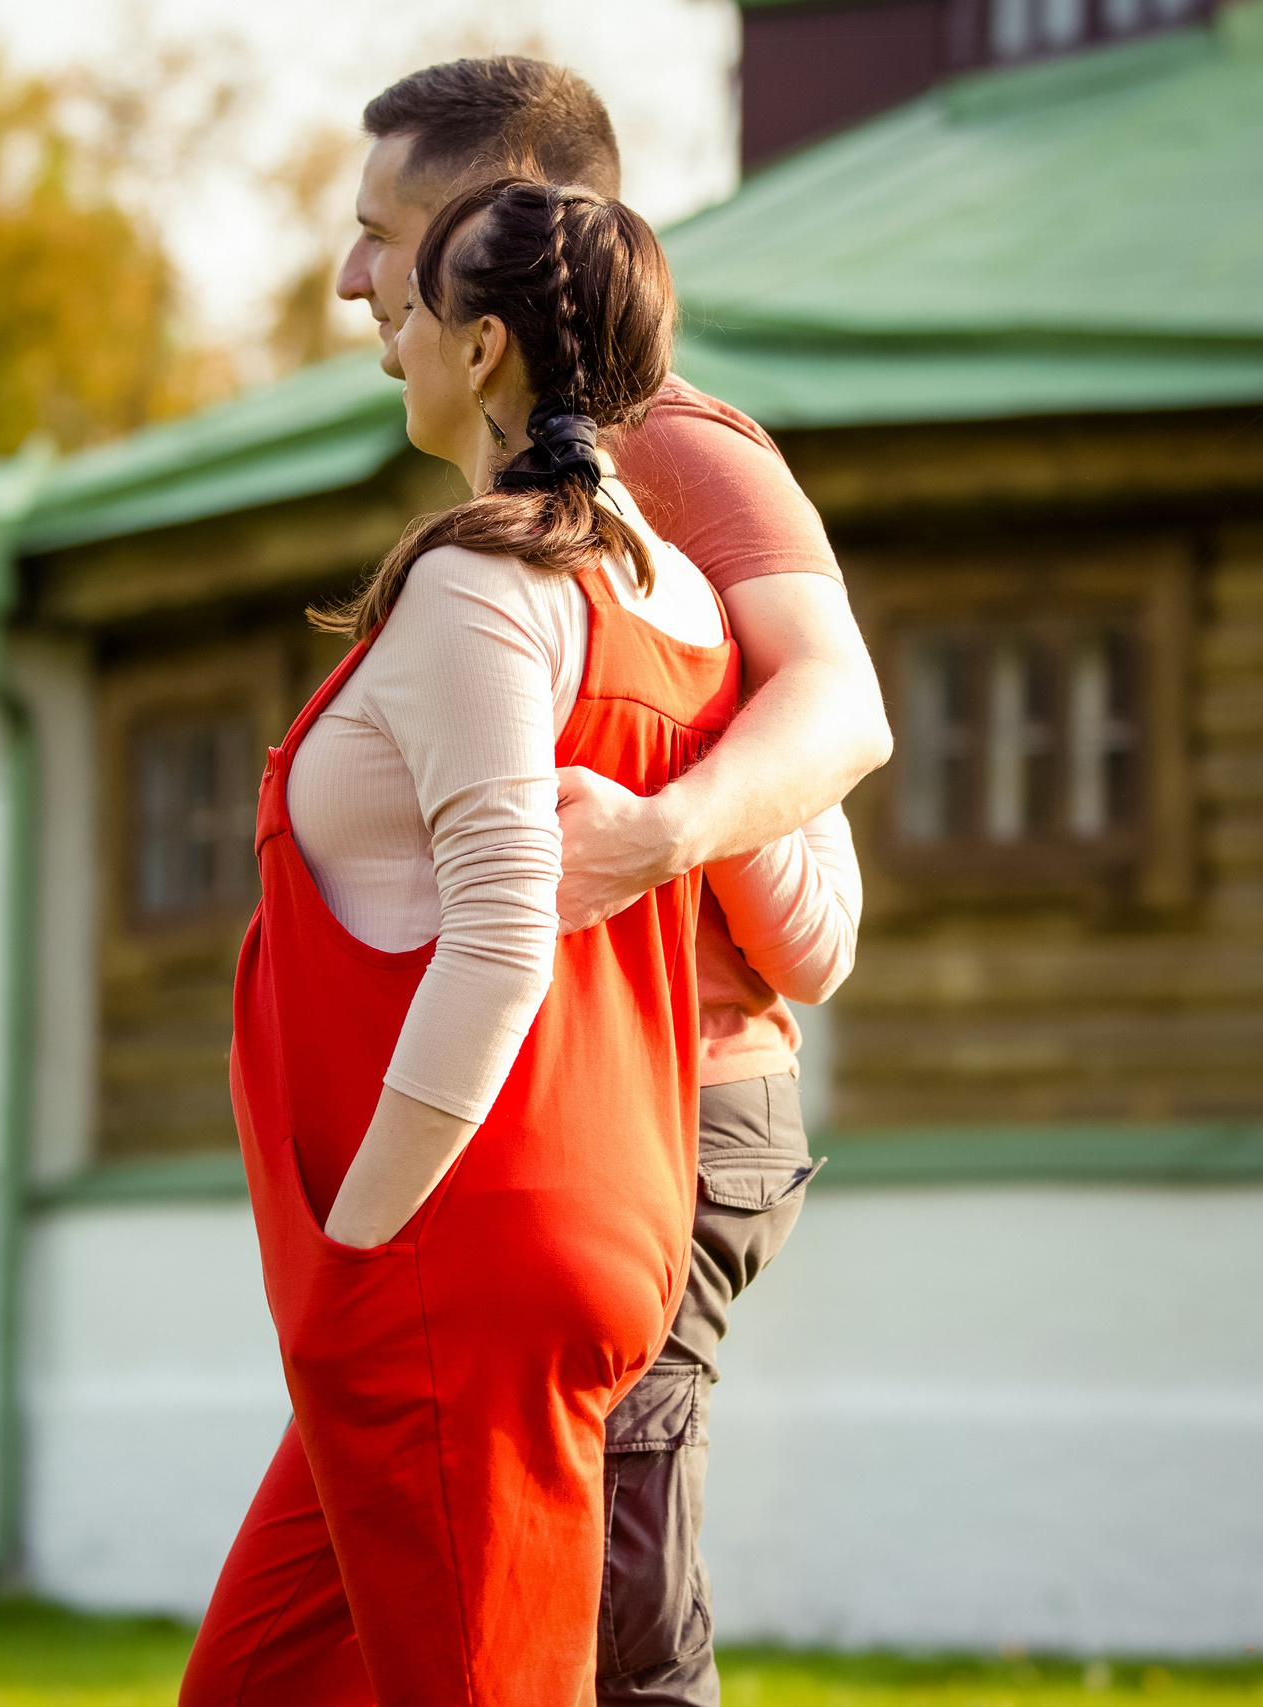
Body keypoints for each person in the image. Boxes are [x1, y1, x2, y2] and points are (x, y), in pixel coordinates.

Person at [180, 179, 859, 1707]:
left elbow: (497, 941)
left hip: (455, 1245)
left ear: (484, 349)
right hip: (572, 1212)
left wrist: (359, 1243)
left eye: (412, 309)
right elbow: (819, 928)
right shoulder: (678, 598)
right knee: (264, 1682)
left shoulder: (491, 587)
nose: (386, 339)